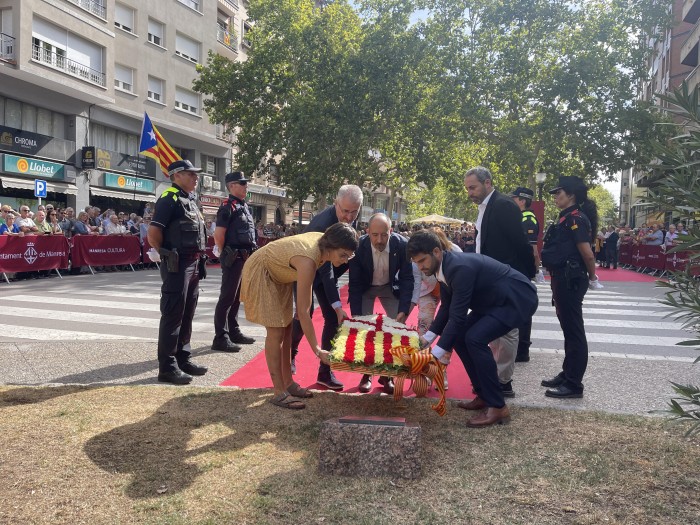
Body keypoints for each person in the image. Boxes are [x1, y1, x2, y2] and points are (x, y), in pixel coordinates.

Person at [408, 230, 538, 427]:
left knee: (474, 339)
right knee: (460, 337)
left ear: (436, 251)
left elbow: (458, 316)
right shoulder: (443, 267)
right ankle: (483, 395)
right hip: (493, 301)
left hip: (515, 299)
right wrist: (427, 337)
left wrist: (434, 355)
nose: (420, 267)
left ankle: (498, 406)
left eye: (422, 261)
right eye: (416, 263)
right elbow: (447, 308)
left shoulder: (458, 268)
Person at [241, 223, 359, 409]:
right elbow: (304, 312)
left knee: (287, 328)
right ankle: (279, 391)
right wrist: (318, 350)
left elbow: (304, 307)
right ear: (331, 247)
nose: (345, 260)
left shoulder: (323, 244)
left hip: (280, 273)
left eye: (349, 256)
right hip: (262, 270)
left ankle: (288, 383)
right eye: (343, 255)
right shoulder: (308, 261)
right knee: (276, 332)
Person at [464, 167, 535, 398]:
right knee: (492, 329)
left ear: (487, 182)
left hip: (505, 278)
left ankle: (504, 381)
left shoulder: (504, 205)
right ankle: (494, 376)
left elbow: (520, 244)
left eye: (473, 187)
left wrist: (523, 277)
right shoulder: (484, 208)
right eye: (467, 188)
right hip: (488, 277)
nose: (470, 193)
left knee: (507, 330)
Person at [290, 184, 363, 389]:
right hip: (304, 267)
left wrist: (337, 307)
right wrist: (338, 304)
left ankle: (325, 371)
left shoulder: (350, 220)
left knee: (331, 317)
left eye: (353, 212)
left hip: (325, 271)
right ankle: (290, 355)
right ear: (335, 203)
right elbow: (326, 271)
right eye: (344, 210)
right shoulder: (321, 225)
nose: (349, 216)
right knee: (304, 312)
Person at [147, 159, 209, 385]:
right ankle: (167, 366)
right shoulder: (169, 198)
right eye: (191, 174)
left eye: (195, 174)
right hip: (177, 264)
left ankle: (183, 357)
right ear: (177, 175)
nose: (196, 177)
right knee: (173, 314)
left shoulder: (190, 200)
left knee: (187, 312)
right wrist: (164, 253)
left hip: (192, 264)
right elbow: (153, 234)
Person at [540, 176, 601, 399]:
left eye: (559, 193)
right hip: (562, 277)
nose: (556, 197)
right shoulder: (566, 217)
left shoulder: (576, 218)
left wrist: (593, 277)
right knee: (568, 329)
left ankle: (574, 384)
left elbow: (587, 252)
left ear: (571, 195)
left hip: (570, 278)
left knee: (574, 331)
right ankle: (568, 373)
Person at [348, 213, 414, 394]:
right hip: (365, 288)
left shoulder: (402, 245)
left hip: (389, 288)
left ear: (391, 231)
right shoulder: (358, 246)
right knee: (366, 331)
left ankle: (388, 375)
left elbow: (408, 278)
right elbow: (353, 283)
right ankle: (367, 374)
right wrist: (356, 316)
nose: (379, 240)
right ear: (367, 232)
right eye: (375, 235)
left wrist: (403, 309)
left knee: (396, 329)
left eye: (384, 235)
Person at [212, 171, 257, 352]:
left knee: (237, 298)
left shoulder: (244, 206)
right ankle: (220, 337)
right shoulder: (227, 207)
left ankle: (233, 331)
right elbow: (219, 235)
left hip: (245, 258)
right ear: (232, 186)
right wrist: (225, 254)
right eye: (242, 183)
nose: (246, 186)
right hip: (234, 257)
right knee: (227, 297)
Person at [509, 186, 542, 362]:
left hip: (521, 270)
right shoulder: (520, 217)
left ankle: (522, 350)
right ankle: (520, 348)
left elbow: (533, 250)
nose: (511, 201)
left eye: (514, 198)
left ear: (522, 200)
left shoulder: (527, 218)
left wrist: (533, 272)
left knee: (522, 309)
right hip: (519, 269)